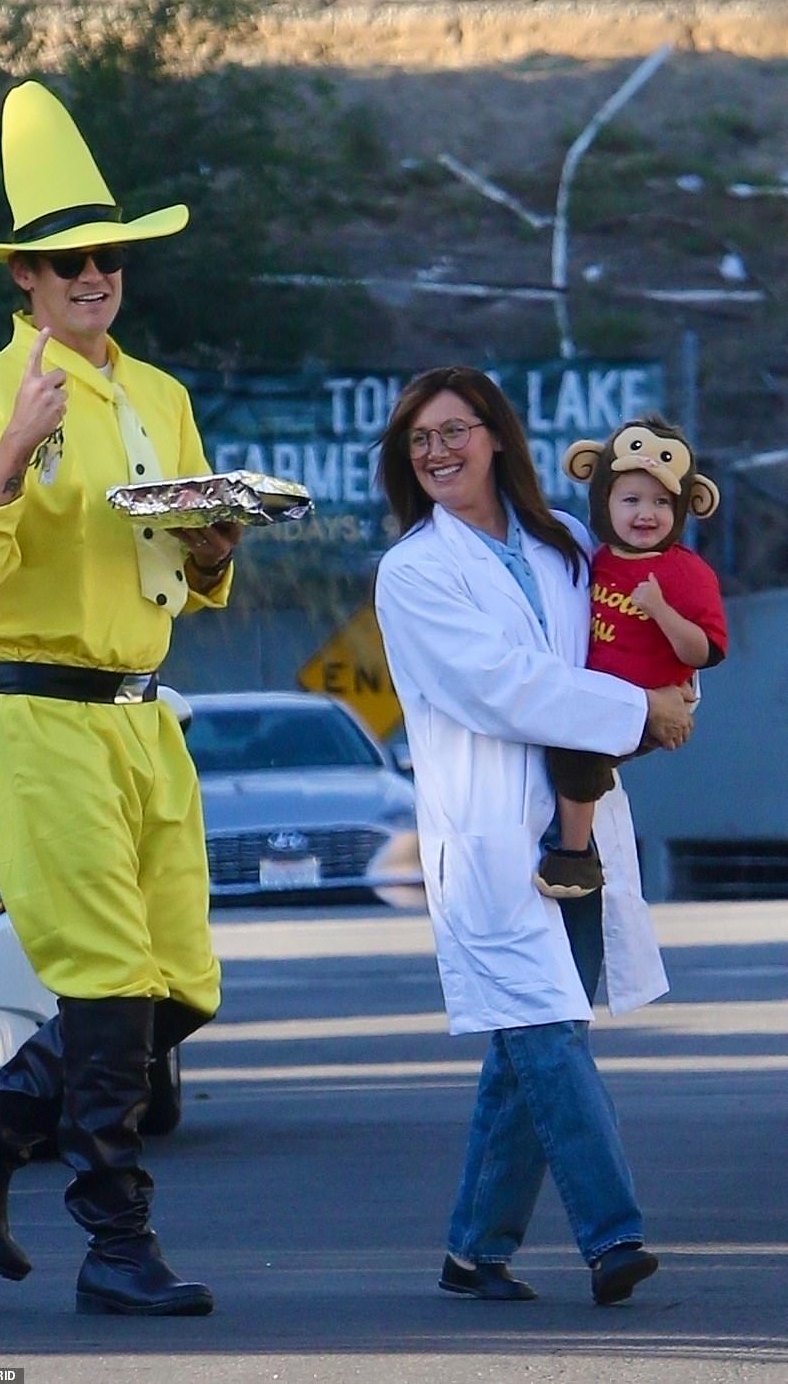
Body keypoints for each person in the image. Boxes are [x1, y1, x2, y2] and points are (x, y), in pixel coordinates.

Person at [0, 80, 240, 1318]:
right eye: (65, 262)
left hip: (146, 715)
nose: (92, 274)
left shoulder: (160, 395)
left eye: (106, 256)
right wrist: (8, 451)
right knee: (104, 979)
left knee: (178, 983)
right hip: (36, 708)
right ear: (24, 285)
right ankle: (115, 1243)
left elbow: (183, 562)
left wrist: (213, 552)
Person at [373, 366, 694, 1306]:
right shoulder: (415, 571)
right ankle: (613, 1236)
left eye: (453, 431)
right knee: (549, 1030)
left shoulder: (563, 548)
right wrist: (641, 707)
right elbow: (500, 684)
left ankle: (475, 1249)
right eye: (419, 441)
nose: (437, 452)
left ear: (497, 436)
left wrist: (676, 691)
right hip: (487, 837)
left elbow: (622, 641)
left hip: (581, 825)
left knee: (528, 1044)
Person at [535, 415, 727, 899]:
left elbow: (705, 651)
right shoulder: (596, 558)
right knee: (572, 750)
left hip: (647, 706)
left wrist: (660, 610)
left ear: (685, 506)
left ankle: (574, 858)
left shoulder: (686, 572)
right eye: (631, 500)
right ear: (603, 500)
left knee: (577, 752)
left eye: (662, 502)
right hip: (604, 696)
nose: (646, 513)